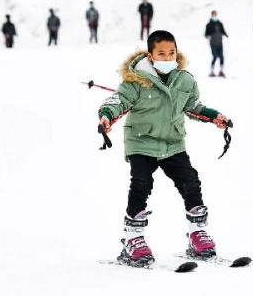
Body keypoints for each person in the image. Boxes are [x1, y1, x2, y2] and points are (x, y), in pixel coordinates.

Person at [98, 30, 230, 267]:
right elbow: (118, 101)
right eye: (162, 53)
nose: (168, 57)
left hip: (172, 142)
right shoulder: (137, 80)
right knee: (141, 183)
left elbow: (193, 106)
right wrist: (107, 116)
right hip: (142, 141)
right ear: (150, 55)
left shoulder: (185, 79)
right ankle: (133, 239)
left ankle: (197, 234)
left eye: (172, 52)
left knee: (190, 181)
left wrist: (213, 117)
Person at [205, 10, 228, 77]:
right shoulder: (209, 24)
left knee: (221, 57)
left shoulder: (220, 23)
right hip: (213, 43)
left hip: (220, 42)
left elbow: (223, 30)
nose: (214, 16)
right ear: (211, 15)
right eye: (213, 14)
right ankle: (212, 71)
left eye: (215, 14)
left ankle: (221, 71)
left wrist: (226, 35)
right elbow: (206, 34)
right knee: (215, 56)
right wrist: (207, 36)